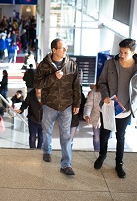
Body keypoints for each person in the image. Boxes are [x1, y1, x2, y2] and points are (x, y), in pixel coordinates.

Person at [94, 38, 137, 179]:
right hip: (108, 107)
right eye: (120, 52)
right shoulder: (110, 63)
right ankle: (102, 155)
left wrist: (133, 104)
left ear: (133, 52)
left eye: (125, 53)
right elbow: (102, 82)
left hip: (125, 111)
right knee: (104, 134)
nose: (121, 55)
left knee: (120, 137)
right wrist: (105, 96)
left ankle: (119, 164)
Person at [34, 38, 81, 176]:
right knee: (47, 130)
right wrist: (54, 77)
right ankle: (47, 151)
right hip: (49, 105)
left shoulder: (72, 65)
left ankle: (66, 164)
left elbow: (76, 86)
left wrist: (77, 103)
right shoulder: (44, 65)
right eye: (62, 48)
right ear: (54, 50)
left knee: (66, 135)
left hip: (66, 106)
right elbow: (37, 84)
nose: (65, 50)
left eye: (66, 47)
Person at [83, 83, 101, 151]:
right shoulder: (94, 91)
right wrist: (87, 115)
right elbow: (89, 105)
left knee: (105, 137)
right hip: (96, 117)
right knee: (96, 137)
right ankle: (97, 152)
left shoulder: (111, 90)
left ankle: (103, 153)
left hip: (107, 118)